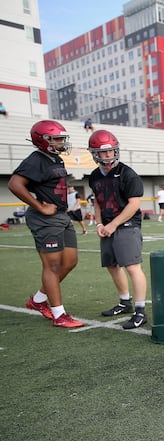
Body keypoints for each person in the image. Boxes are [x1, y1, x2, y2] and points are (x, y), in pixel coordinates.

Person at [7, 120, 84, 328]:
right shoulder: (36, 159)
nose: (61, 142)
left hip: (61, 216)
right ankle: (60, 316)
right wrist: (39, 206)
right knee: (52, 266)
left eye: (61, 138)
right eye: (56, 139)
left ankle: (38, 300)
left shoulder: (56, 159)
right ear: (43, 141)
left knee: (70, 262)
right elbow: (14, 183)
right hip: (45, 219)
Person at [88, 129, 148, 329]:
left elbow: (133, 205)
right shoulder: (94, 176)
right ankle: (125, 302)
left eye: (111, 151)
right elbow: (97, 202)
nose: (108, 155)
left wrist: (113, 224)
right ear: (95, 153)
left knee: (132, 266)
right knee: (112, 265)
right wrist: (99, 224)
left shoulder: (127, 173)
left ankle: (140, 310)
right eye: (104, 152)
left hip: (127, 225)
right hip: (107, 225)